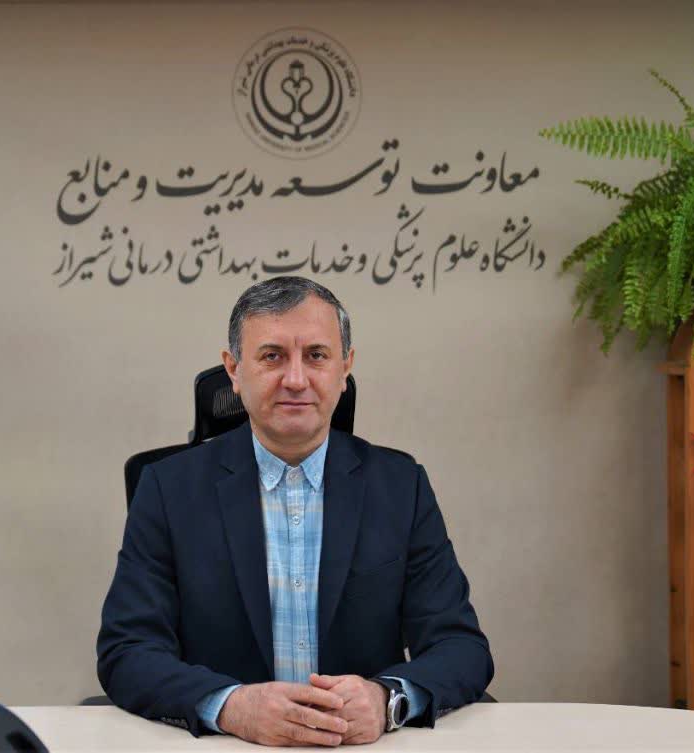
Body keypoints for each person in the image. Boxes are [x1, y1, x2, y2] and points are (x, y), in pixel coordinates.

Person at [96, 276, 493, 746]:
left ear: (345, 368)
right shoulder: (167, 489)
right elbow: (127, 651)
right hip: (230, 745)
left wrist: (387, 699)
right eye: (272, 356)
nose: (296, 380)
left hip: (360, 746)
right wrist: (232, 706)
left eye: (317, 356)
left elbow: (461, 647)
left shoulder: (400, 487)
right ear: (234, 370)